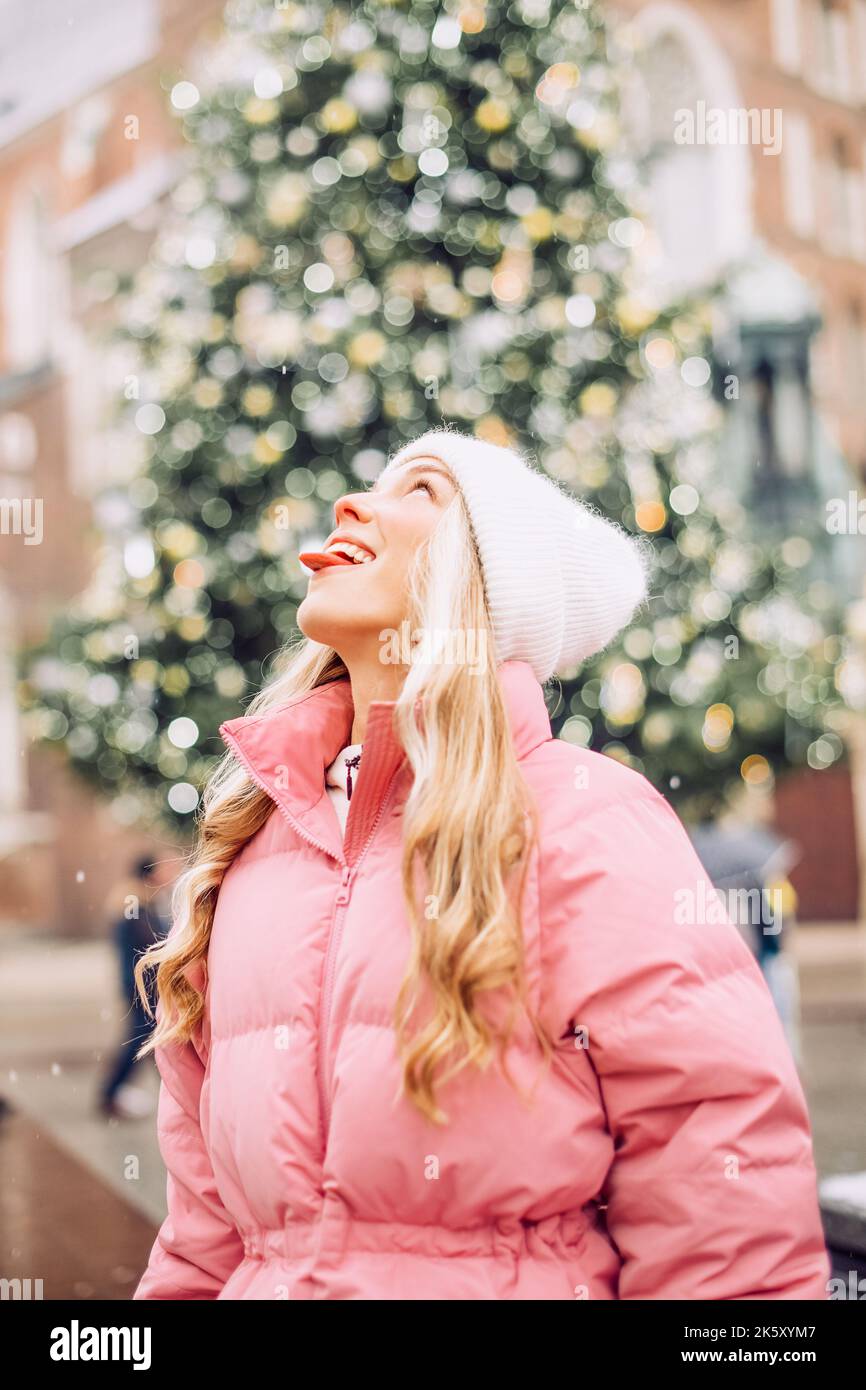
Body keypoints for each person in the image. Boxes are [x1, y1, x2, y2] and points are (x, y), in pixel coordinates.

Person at [133, 426, 831, 1300]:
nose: (353, 503)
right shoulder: (254, 846)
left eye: (421, 491)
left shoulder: (587, 819)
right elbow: (203, 1243)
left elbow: (723, 1204)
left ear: (492, 581)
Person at [98, 855, 171, 1120]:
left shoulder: (134, 901)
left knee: (150, 1037)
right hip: (142, 985)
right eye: (164, 869)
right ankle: (109, 1094)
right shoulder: (136, 905)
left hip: (139, 984)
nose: (169, 874)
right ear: (150, 874)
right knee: (144, 1037)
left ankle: (171, 1093)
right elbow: (153, 946)